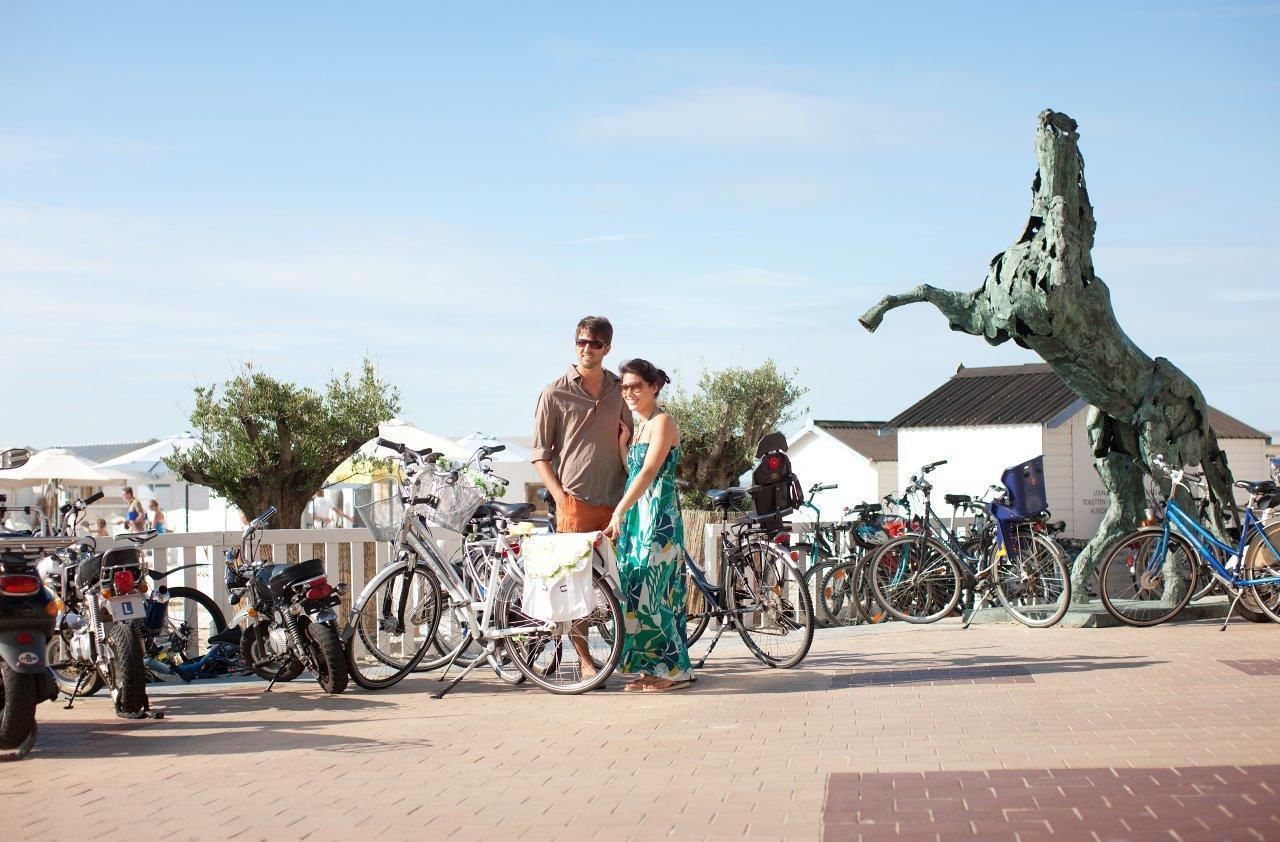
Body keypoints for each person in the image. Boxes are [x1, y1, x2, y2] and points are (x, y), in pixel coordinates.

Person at [531, 315, 633, 679]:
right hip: (574, 501)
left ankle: (634, 659)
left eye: (594, 343)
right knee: (576, 587)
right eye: (580, 342)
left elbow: (633, 440)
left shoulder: (621, 391)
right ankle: (587, 663)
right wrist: (559, 497)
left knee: (622, 582)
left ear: (607, 348)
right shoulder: (553, 393)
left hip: (617, 503)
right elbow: (540, 454)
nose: (586, 349)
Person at [604, 359, 694, 692]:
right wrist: (623, 445)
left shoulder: (663, 421)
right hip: (638, 518)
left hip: (659, 519)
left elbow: (649, 473)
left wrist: (618, 511)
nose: (628, 392)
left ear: (653, 386)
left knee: (656, 594)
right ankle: (650, 668)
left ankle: (676, 670)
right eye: (624, 387)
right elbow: (634, 470)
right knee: (635, 590)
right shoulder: (641, 426)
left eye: (635, 386)